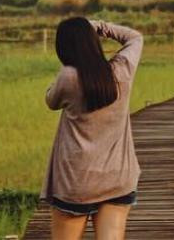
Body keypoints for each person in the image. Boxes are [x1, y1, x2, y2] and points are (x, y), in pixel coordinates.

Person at [42, 17, 143, 240]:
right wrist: (99, 26)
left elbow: (50, 100)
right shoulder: (121, 70)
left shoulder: (68, 77)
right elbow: (135, 37)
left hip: (77, 180)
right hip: (117, 177)